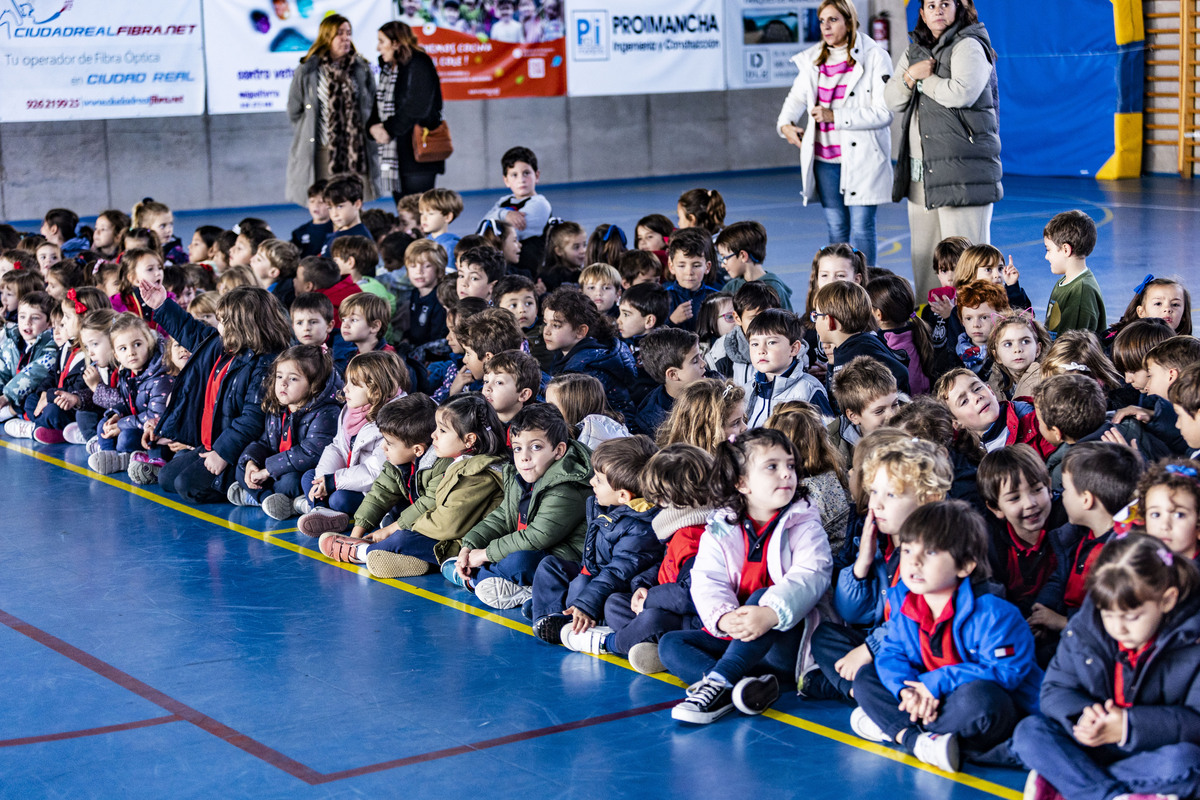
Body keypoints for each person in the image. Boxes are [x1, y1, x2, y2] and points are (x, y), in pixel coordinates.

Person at [848, 500, 1042, 772]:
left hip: (980, 709)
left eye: (929, 552)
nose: (913, 561)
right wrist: (905, 691)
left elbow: (1007, 672)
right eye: (907, 550)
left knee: (982, 701)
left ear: (964, 566)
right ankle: (918, 741)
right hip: (930, 703)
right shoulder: (906, 604)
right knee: (867, 677)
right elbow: (892, 654)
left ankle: (895, 727)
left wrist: (934, 683)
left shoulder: (995, 614)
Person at [659, 428, 833, 723]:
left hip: (786, 640)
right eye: (772, 467)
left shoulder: (804, 523)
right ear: (742, 483)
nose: (786, 474)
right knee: (670, 644)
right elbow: (707, 578)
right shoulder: (721, 526)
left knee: (761, 596)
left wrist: (768, 613)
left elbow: (812, 574)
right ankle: (740, 689)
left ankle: (718, 682)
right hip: (742, 639)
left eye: (790, 465)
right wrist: (723, 617)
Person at [1013, 533, 1200, 800]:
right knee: (1030, 733)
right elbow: (1055, 690)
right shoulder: (1084, 628)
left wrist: (1127, 726)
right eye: (1108, 614)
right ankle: (1112, 795)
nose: (1118, 627)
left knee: (1188, 762)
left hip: (1152, 748)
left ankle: (1069, 785)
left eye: (1132, 616)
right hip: (1091, 743)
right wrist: (1082, 716)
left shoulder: (1192, 638)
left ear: (1166, 600)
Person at [885, 0, 1001, 302]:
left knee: (968, 265)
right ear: (922, 13)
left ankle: (974, 334)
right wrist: (911, 75)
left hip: (963, 175)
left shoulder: (970, 45)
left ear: (957, 9)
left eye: (945, 3)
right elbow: (891, 99)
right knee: (925, 262)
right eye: (931, 5)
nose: (938, 10)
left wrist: (924, 80)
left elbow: (962, 92)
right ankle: (929, 332)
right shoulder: (915, 52)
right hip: (922, 177)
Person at [320, 394, 506, 578]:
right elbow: (380, 493)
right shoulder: (459, 461)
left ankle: (363, 552)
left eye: (441, 430)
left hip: (461, 544)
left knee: (402, 538)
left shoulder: (477, 473)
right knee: (395, 520)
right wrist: (358, 532)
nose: (434, 434)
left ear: (469, 440)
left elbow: (445, 523)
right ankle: (391, 553)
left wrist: (396, 529)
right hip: (443, 532)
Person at [142, 284, 293, 504]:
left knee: (188, 486)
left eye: (222, 321)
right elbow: (190, 330)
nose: (218, 326)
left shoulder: (264, 363)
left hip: (240, 449)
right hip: (214, 441)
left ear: (243, 327)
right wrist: (162, 305)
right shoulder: (223, 346)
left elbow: (252, 420)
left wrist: (223, 454)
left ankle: (242, 485)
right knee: (167, 478)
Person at [775, 0, 893, 265]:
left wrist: (834, 116)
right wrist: (785, 126)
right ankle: (840, 294)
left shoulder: (874, 56)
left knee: (863, 228)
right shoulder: (813, 59)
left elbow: (884, 113)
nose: (826, 27)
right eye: (821, 21)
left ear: (849, 21)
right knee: (836, 231)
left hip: (863, 160)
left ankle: (866, 291)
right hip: (824, 162)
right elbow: (793, 101)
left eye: (833, 20)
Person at [229, 345, 342, 520]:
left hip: (302, 471)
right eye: (279, 376)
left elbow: (310, 453)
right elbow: (265, 442)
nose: (282, 383)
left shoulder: (326, 411)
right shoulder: (279, 407)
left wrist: (267, 471)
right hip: (277, 467)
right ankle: (268, 500)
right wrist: (251, 462)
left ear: (314, 384)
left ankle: (259, 497)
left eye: (293, 379)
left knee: (292, 481)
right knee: (242, 467)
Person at [285, 14, 379, 207]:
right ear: (327, 37)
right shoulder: (308, 69)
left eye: (349, 33)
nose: (346, 38)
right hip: (323, 150)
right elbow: (294, 110)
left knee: (353, 205)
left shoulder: (361, 68)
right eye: (339, 33)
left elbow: (372, 104)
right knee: (326, 203)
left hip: (356, 150)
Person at [367, 21, 446, 203]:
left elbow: (417, 107)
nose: (378, 47)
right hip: (396, 154)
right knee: (405, 213)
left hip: (417, 154)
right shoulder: (389, 68)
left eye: (382, 41)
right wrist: (372, 128)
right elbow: (378, 104)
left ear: (396, 43)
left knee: (418, 214)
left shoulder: (418, 62)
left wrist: (388, 129)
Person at [86, 314, 174, 475]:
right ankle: (110, 455)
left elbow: (156, 417)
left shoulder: (161, 377)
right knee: (103, 424)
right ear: (116, 355)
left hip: (153, 431)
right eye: (123, 348)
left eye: (137, 344)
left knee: (125, 438)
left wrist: (122, 424)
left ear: (149, 343)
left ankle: (122, 457)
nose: (131, 353)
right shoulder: (127, 373)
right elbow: (127, 402)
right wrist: (117, 414)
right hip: (135, 422)